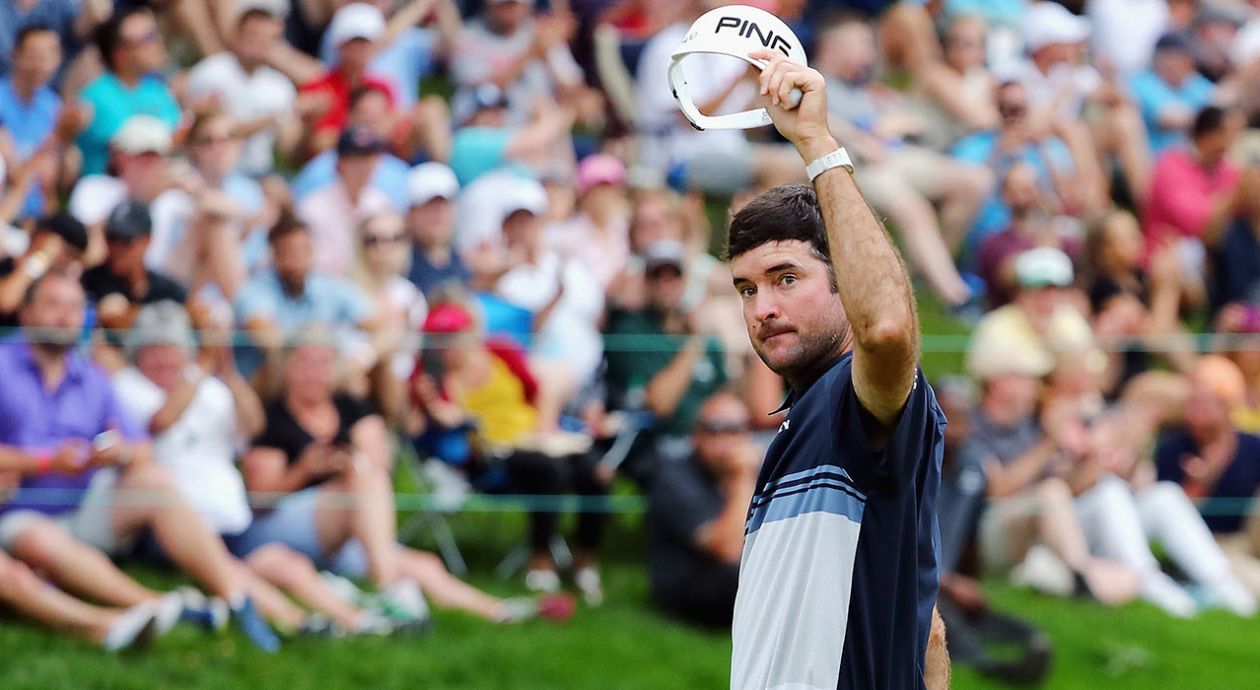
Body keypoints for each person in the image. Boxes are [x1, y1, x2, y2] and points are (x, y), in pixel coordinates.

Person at [724, 52, 947, 689]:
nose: (762, 307)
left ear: (844, 284)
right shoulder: (804, 424)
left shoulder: (852, 402)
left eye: (786, 278)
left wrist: (818, 145)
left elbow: (887, 329)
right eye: (745, 289)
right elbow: (925, 626)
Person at [0, 271, 280, 652]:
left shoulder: (93, 379)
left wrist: (120, 453)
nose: (64, 317)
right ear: (27, 313)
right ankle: (162, 606)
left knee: (153, 480)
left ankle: (235, 599)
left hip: (82, 508)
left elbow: (142, 445)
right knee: (37, 538)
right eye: (52, 305)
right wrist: (47, 462)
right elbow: (159, 421)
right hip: (18, 513)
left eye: (73, 307)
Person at [239, 330, 559, 624]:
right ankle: (388, 590)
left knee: (423, 564)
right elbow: (260, 498)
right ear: (287, 368)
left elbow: (378, 464)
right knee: (363, 482)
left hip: (347, 529)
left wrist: (349, 460)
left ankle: (497, 611)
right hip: (281, 526)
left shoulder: (350, 407)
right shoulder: (272, 417)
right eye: (305, 363)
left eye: (323, 363)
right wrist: (305, 470)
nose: (314, 373)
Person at [113, 301, 396, 635]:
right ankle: (299, 622)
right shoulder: (128, 387)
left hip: (232, 524)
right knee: (237, 569)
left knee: (286, 564)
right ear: (136, 354)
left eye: (172, 348)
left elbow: (253, 423)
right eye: (152, 350)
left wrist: (228, 373)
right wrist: (201, 365)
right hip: (176, 528)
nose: (164, 358)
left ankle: (356, 620)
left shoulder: (209, 387)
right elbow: (161, 421)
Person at [410, 300, 607, 603]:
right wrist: (435, 407)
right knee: (551, 471)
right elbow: (427, 427)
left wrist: (544, 426)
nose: (446, 346)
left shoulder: (500, 352)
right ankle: (540, 560)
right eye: (438, 338)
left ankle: (585, 559)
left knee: (595, 471)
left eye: (452, 336)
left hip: (536, 436)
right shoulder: (430, 379)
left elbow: (537, 392)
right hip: (490, 455)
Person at [814, 14, 991, 308]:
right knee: (915, 209)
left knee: (976, 181)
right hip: (855, 165)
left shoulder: (866, 86)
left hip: (897, 156)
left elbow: (912, 117)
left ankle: (926, 271)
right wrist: (862, 140)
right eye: (861, 45)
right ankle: (956, 296)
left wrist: (897, 121)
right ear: (832, 47)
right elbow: (822, 124)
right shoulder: (815, 83)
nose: (869, 53)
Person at [646, 392, 756, 628]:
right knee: (740, 577)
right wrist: (743, 478)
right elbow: (728, 550)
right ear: (696, 435)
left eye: (735, 429)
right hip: (690, 582)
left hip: (731, 575)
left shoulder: (767, 469)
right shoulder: (674, 477)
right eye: (714, 429)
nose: (725, 440)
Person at [1156, 356, 1260, 597]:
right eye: (1192, 400)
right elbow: (1170, 518)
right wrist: (1199, 485)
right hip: (1208, 547)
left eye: (1203, 402)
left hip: (1246, 541)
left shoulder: (1253, 447)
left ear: (1226, 406)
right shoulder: (1172, 448)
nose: (1194, 409)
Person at [184, 2, 304, 178]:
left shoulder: (281, 86)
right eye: (254, 35)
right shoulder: (211, 74)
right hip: (212, 171)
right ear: (237, 34)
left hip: (261, 173)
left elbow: (288, 149)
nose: (259, 43)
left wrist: (301, 127)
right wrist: (274, 118)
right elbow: (209, 132)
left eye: (268, 38)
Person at [76, 7, 180, 176]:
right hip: (110, 193)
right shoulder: (96, 97)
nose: (158, 42)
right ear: (121, 53)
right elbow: (131, 148)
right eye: (148, 38)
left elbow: (177, 136)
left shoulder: (156, 89)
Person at [299, 2, 397, 156]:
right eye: (353, 44)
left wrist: (338, 135)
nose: (359, 51)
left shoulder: (383, 87)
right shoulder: (318, 86)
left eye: (365, 44)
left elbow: (391, 131)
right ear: (339, 46)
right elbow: (314, 144)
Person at [296, 126, 394, 278]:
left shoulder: (381, 204)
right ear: (339, 163)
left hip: (373, 284)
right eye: (355, 159)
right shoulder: (313, 207)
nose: (363, 167)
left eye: (368, 158)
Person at [1130, 33, 1217, 156]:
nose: (1191, 64)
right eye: (1183, 59)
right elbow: (1170, 118)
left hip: (1193, 161)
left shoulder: (1194, 82)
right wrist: (1208, 119)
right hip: (1156, 160)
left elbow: (1220, 107)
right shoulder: (1142, 82)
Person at [404, 161, 468, 295]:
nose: (438, 215)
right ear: (411, 213)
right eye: (428, 207)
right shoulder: (401, 269)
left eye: (443, 206)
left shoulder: (468, 266)